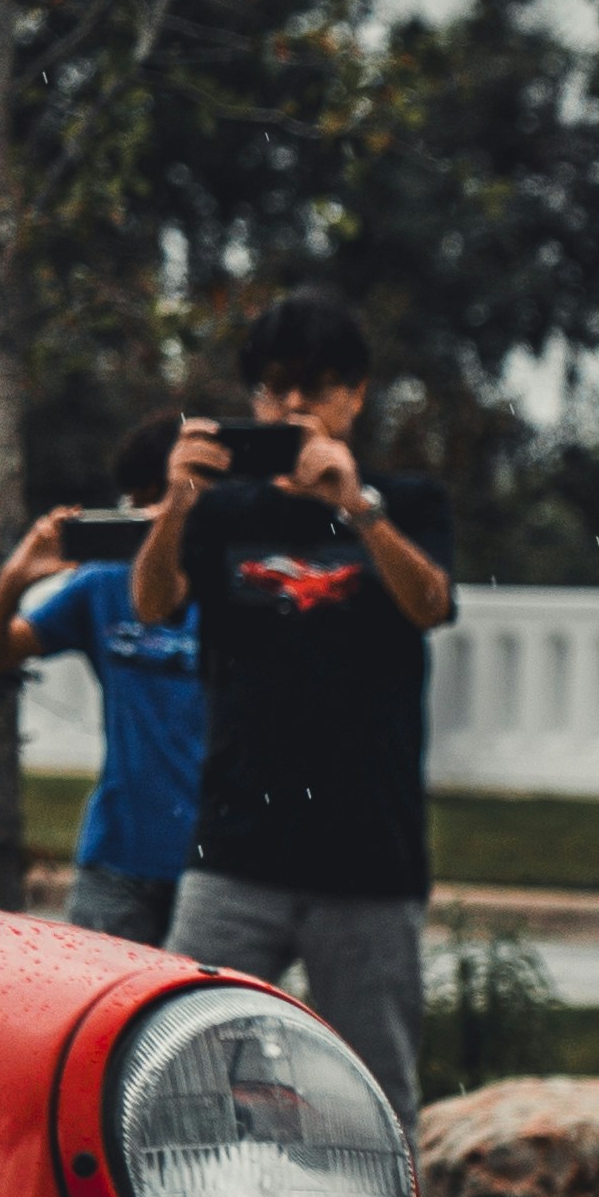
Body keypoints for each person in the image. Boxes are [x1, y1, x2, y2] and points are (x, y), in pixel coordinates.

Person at [130, 298, 450, 1131]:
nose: (291, 409)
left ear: (355, 396)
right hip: (235, 844)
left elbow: (429, 605)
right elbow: (154, 603)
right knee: (180, 1079)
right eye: (272, 391)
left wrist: (358, 509)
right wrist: (173, 504)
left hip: (367, 855)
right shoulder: (224, 512)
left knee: (373, 1100)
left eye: (313, 389)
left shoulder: (407, 502)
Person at [0, 465, 216, 948]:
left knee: (208, 1017)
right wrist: (16, 579)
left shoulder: (233, 588)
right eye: (149, 506)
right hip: (118, 856)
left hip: (215, 865)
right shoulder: (103, 584)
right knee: (101, 1011)